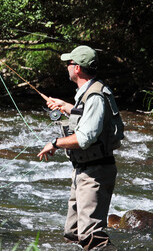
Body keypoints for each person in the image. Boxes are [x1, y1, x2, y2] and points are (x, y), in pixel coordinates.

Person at [37, 45, 123, 250]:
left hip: (95, 172)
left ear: (77, 69)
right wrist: (65, 106)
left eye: (69, 63)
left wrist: (55, 143)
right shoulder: (88, 93)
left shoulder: (95, 97)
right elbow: (86, 117)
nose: (67, 66)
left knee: (92, 237)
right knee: (73, 233)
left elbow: (85, 138)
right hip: (84, 169)